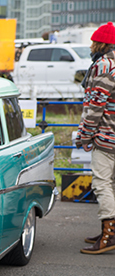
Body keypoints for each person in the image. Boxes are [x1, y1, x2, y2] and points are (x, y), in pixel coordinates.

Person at [76, 22, 115, 255]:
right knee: (112, 185)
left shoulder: (104, 65)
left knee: (102, 184)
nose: (91, 46)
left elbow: (95, 106)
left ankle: (109, 235)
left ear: (100, 43)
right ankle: (108, 232)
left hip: (107, 136)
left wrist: (85, 135)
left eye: (93, 42)